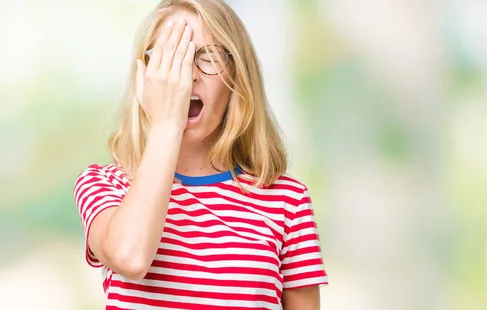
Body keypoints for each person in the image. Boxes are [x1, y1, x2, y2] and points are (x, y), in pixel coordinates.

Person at [72, 0, 328, 309]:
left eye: (207, 57)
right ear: (146, 79)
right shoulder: (105, 185)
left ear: (237, 76)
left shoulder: (289, 201)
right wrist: (167, 124)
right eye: (171, 59)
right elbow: (130, 256)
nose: (187, 76)